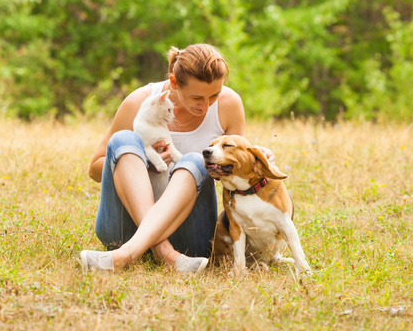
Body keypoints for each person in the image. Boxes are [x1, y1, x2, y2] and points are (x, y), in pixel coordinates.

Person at [79, 43, 274, 274]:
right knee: (123, 140)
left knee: (194, 160)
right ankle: (164, 253)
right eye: (197, 97)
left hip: (189, 236)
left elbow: (237, 177)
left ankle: (125, 256)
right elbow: (95, 169)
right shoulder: (139, 102)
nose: (205, 105)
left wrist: (254, 160)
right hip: (123, 229)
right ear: (173, 83)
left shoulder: (229, 105)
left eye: (214, 95)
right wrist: (143, 162)